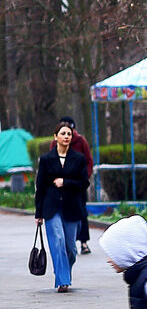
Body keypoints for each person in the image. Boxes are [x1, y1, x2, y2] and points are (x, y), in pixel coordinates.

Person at [34, 122, 90, 292]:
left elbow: (84, 183)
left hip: (71, 207)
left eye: (69, 134)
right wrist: (38, 213)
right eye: (63, 133)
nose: (66, 136)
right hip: (51, 208)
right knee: (57, 241)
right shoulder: (46, 159)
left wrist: (65, 182)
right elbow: (40, 186)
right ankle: (62, 281)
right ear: (55, 137)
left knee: (71, 249)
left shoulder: (78, 159)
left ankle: (64, 272)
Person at [59, 116, 94, 254]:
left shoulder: (80, 142)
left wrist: (85, 177)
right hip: (62, 186)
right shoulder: (55, 143)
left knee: (81, 212)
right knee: (62, 212)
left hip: (78, 185)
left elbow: (89, 161)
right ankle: (67, 241)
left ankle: (84, 242)